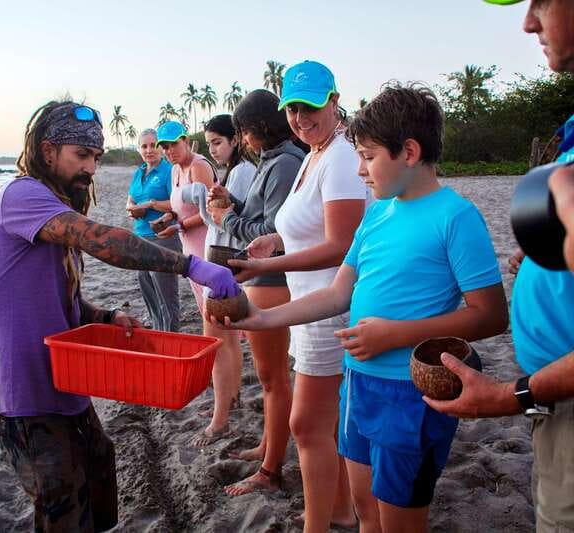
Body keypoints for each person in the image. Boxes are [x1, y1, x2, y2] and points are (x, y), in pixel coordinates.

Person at [211, 84, 509, 532]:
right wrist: (261, 318)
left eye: (368, 157)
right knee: (366, 511)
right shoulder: (376, 216)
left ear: (408, 152)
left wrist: (394, 334)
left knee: (399, 520)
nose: (360, 170)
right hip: (359, 383)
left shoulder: (456, 217)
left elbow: (489, 315)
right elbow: (337, 294)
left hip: (410, 393)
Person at [0, 101, 238, 532]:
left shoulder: (49, 204)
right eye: (81, 156)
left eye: (96, 158)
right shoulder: (21, 195)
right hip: (28, 395)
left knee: (99, 480)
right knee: (64, 511)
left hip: (68, 383)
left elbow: (63, 300)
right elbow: (102, 240)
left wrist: (105, 314)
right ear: (47, 151)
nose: (91, 169)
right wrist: (191, 265)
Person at [428, 2, 574, 531]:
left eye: (543, 2)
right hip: (554, 400)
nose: (528, 23)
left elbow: (486, 314)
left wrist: (513, 394)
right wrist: (543, 261)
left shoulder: (454, 213)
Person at [230, 61, 366, 532]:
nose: (300, 118)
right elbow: (309, 229)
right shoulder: (316, 150)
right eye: (292, 109)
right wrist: (276, 242)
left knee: (306, 425)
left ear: (334, 99)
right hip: (312, 305)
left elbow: (341, 244)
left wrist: (267, 265)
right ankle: (339, 511)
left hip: (332, 305)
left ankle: (321, 522)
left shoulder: (343, 155)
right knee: (327, 425)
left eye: (310, 106)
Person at [207, 89, 305, 496]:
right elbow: (260, 212)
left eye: (245, 132)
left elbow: (273, 234)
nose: (244, 140)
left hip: (272, 280)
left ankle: (270, 469)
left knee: (272, 378)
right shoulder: (271, 160)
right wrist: (234, 203)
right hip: (263, 280)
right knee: (270, 377)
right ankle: (269, 444)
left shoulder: (284, 163)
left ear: (260, 128)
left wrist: (227, 218)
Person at [190, 114, 256, 447]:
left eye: (218, 141)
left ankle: (220, 419)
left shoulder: (243, 171)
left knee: (216, 340)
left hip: (224, 261)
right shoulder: (236, 171)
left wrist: (210, 202)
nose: (214, 149)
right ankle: (227, 401)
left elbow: (228, 221)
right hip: (224, 259)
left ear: (236, 140)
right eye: (211, 142)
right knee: (224, 339)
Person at [154, 121, 216, 313]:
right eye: (165, 147)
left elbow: (210, 211)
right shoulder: (174, 170)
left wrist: (179, 226)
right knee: (202, 304)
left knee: (214, 305)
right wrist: (168, 216)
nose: (169, 150)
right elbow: (179, 206)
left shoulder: (199, 166)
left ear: (186, 141)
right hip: (189, 246)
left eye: (174, 144)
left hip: (206, 244)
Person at [126, 128, 180, 331]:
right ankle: (158, 332)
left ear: (160, 147)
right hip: (140, 238)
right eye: (144, 146)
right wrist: (130, 209)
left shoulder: (169, 170)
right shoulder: (139, 171)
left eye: (152, 145)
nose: (149, 150)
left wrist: (150, 204)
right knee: (148, 290)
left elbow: (176, 205)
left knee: (166, 294)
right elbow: (130, 198)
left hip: (163, 237)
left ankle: (171, 337)